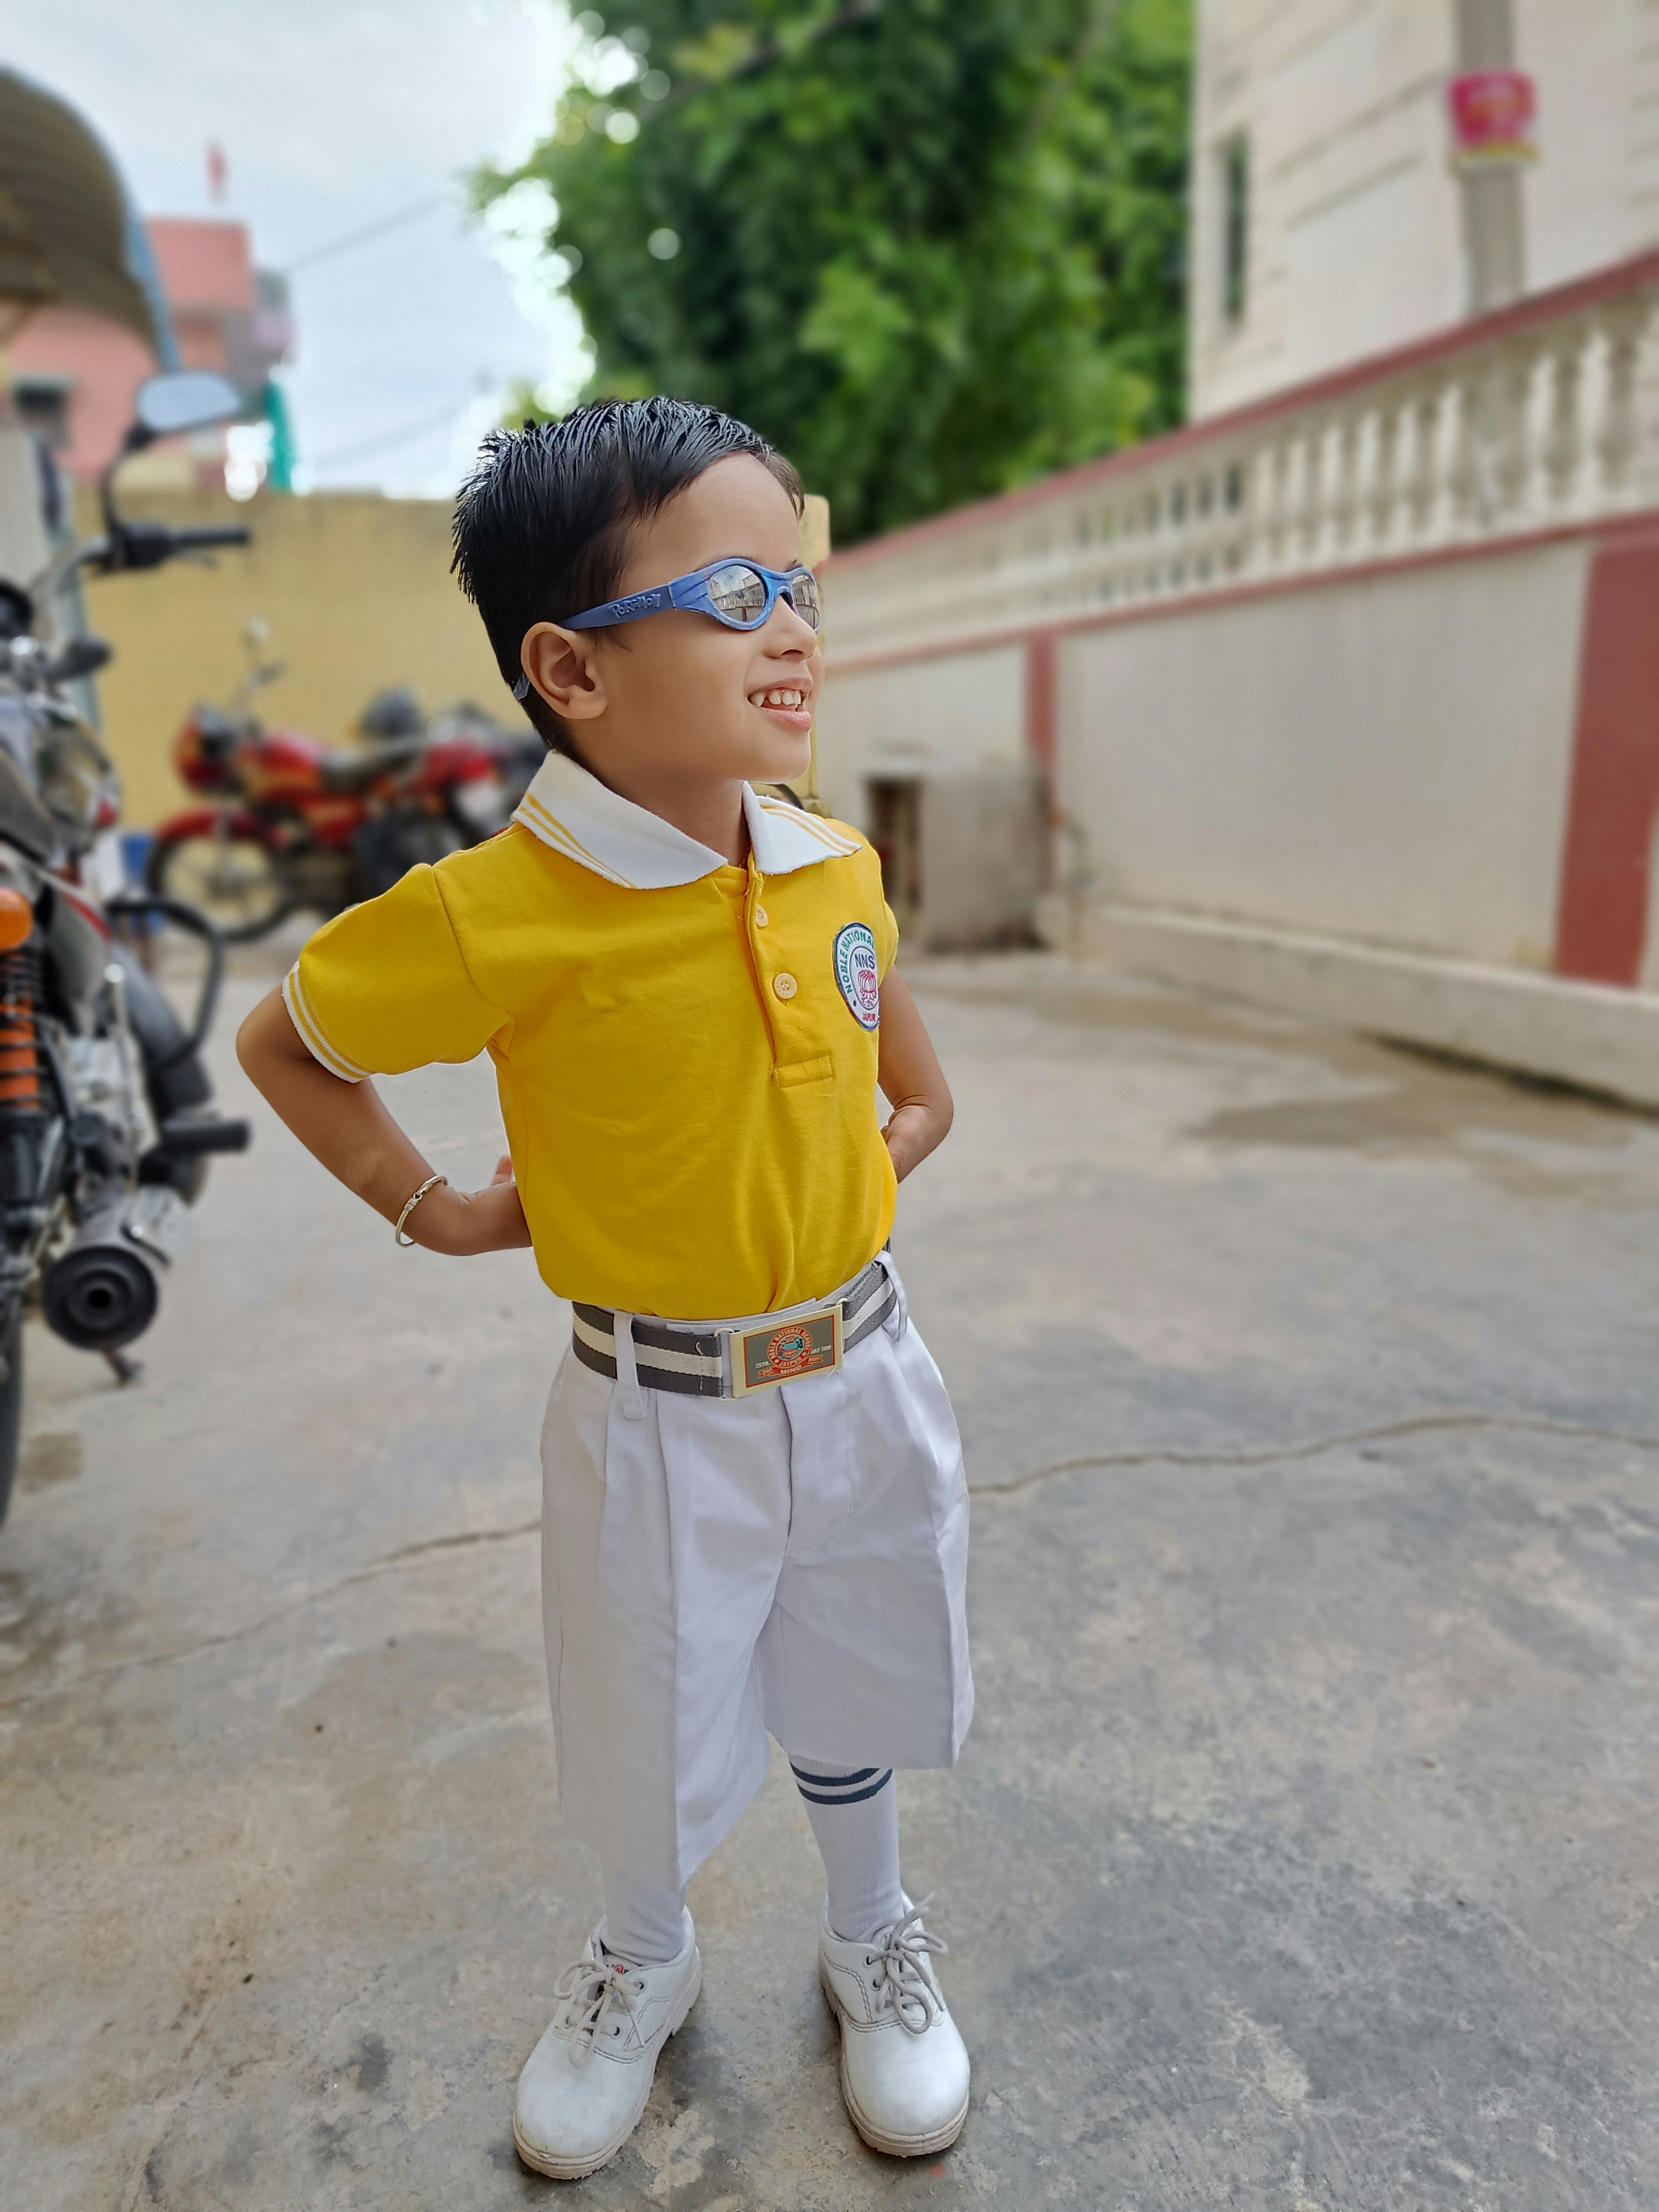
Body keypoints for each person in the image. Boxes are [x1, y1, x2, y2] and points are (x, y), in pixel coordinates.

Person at [237, 397, 973, 2180]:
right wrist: (436, 1206)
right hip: (656, 1412)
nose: (793, 626)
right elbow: (290, 1039)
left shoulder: (827, 862)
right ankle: (644, 1955)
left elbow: (886, 1037)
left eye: (801, 584)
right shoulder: (503, 910)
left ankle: (869, 1933)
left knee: (856, 1666)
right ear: (571, 667)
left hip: (862, 1378)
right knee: (649, 1703)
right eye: (739, 592)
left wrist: (913, 1122)